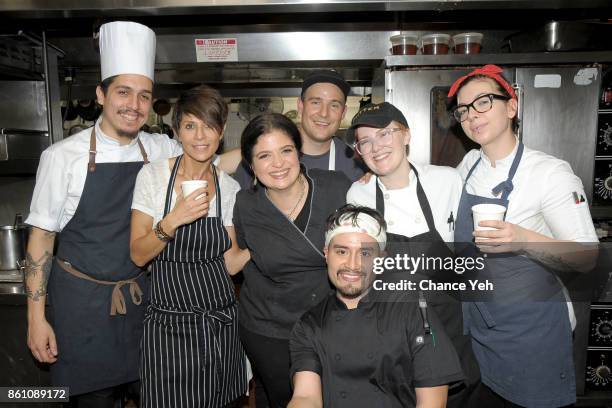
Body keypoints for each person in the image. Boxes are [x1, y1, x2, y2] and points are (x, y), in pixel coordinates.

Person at [24, 21, 181, 406]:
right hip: (83, 312)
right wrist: (36, 318)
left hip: (145, 307)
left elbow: (209, 163)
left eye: (144, 96)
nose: (134, 105)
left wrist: (267, 154)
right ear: (100, 94)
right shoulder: (62, 157)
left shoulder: (160, 148)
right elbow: (42, 238)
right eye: (123, 92)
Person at [449, 64, 599, 407]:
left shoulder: (550, 173)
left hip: (531, 335)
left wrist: (520, 239)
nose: (471, 115)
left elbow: (587, 257)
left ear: (512, 106)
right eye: (463, 110)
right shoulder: (468, 165)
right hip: (480, 331)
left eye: (483, 102)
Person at [345, 102, 480, 406]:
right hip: (394, 330)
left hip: (448, 323)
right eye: (364, 141)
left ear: (405, 135)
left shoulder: (447, 180)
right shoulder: (358, 194)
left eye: (384, 134)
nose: (375, 147)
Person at [130, 85, 249, 407]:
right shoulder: (153, 177)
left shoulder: (229, 187)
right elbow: (138, 254)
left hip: (220, 325)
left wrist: (265, 241)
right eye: (190, 125)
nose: (200, 136)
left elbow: (229, 264)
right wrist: (173, 219)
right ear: (176, 131)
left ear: (221, 132)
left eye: (209, 126)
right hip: (169, 327)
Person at [288, 204, 464, 408]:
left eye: (365, 254)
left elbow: (433, 402)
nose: (352, 265)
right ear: (326, 253)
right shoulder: (309, 325)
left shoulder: (415, 309)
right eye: (342, 251)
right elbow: (305, 397)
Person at [233, 113, 352, 407]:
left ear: (298, 153)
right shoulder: (246, 205)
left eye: (286, 151)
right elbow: (240, 256)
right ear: (251, 165)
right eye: (264, 155)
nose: (278, 164)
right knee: (282, 397)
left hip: (331, 323)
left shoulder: (337, 187)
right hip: (269, 329)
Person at [219, 70, 366, 187]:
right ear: (300, 106)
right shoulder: (263, 159)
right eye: (315, 102)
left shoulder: (355, 166)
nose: (324, 113)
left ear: (343, 112)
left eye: (334, 105)